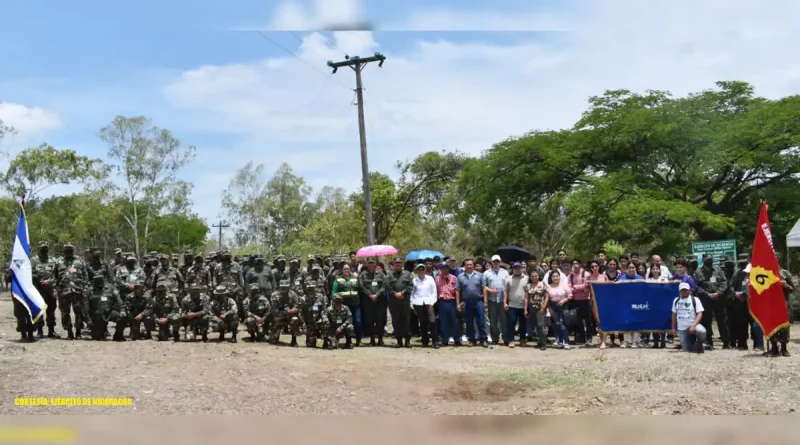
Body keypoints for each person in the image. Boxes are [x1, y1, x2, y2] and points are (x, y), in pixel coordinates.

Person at [694, 253, 729, 350]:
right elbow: (697, 287)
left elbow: (724, 282)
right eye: (707, 259)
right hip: (706, 300)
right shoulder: (698, 272)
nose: (710, 260)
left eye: (711, 259)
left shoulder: (718, 270)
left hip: (719, 299)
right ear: (703, 260)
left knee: (722, 321)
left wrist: (718, 293)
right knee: (707, 322)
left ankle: (726, 342)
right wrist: (708, 294)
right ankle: (709, 343)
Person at [56, 242, 89, 340]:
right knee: (65, 313)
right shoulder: (58, 262)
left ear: (73, 251)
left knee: (79, 312)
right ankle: (69, 331)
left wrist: (85, 287)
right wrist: (55, 288)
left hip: (77, 291)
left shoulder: (80, 261)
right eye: (66, 250)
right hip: (63, 292)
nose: (68, 252)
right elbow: (54, 276)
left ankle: (78, 332)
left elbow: (85, 276)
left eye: (70, 250)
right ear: (63, 251)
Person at [30, 240, 60, 339]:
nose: (44, 250)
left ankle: (51, 331)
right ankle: (40, 331)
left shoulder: (53, 260)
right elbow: (30, 274)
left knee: (51, 311)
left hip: (50, 291)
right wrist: (40, 281)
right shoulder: (33, 261)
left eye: (45, 248)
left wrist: (50, 282)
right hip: (38, 291)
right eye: (42, 248)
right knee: (39, 311)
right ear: (38, 249)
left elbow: (58, 275)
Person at [456, 259, 488, 347]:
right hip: (466, 303)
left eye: (470, 264)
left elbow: (484, 288)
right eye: (467, 264)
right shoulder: (460, 276)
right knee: (469, 323)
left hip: (478, 302)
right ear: (465, 266)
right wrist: (458, 303)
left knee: (481, 322)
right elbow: (457, 291)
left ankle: (483, 339)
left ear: (473, 265)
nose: (469, 266)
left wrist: (485, 301)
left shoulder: (479, 275)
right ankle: (471, 340)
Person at [86, 274, 126, 341]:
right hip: (96, 316)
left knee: (123, 317)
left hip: (109, 312)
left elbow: (119, 300)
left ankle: (118, 335)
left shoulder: (111, 288)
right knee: (97, 337)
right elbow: (86, 306)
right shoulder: (90, 291)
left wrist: (122, 310)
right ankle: (100, 331)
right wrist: (88, 319)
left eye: (101, 281)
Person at [385, 258, 413, 348]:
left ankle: (407, 341)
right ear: (394, 265)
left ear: (402, 265)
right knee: (396, 321)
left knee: (406, 321)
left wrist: (402, 292)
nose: (398, 265)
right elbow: (387, 286)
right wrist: (395, 293)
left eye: (399, 264)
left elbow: (410, 285)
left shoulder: (407, 274)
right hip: (394, 301)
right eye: (396, 264)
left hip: (405, 301)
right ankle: (399, 341)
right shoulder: (389, 275)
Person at [331, 264, 362, 346]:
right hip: (343, 306)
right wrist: (336, 303)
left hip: (355, 304)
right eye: (344, 269)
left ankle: (358, 340)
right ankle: (348, 340)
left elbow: (360, 289)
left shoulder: (355, 279)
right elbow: (334, 293)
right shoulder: (338, 280)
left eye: (348, 269)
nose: (346, 270)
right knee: (345, 323)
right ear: (342, 270)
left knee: (357, 322)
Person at [359, 258, 386, 347]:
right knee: (369, 321)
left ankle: (380, 340)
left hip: (379, 301)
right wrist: (370, 295)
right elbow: (361, 286)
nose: (371, 265)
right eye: (369, 264)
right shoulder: (363, 275)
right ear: (366, 265)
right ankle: (372, 340)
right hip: (368, 301)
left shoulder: (381, 274)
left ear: (375, 264)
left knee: (380, 321)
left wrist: (377, 295)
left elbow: (384, 285)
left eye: (372, 263)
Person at [411, 263, 440, 348]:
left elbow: (434, 292)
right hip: (418, 303)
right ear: (416, 271)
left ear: (424, 270)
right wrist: (412, 304)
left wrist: (432, 302)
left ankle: (435, 341)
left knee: (432, 322)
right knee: (423, 323)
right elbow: (412, 293)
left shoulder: (430, 279)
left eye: (422, 269)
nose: (421, 271)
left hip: (429, 302)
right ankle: (425, 341)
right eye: (419, 269)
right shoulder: (414, 280)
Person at [672, 282, 706, 353]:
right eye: (682, 290)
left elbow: (700, 314)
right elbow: (674, 315)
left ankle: (700, 345)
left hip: (693, 324)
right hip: (682, 328)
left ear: (689, 290)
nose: (684, 291)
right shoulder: (676, 300)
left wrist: (693, 326)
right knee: (687, 350)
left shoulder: (695, 299)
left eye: (686, 290)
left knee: (702, 331)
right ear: (679, 291)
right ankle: (702, 346)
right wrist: (673, 328)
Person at [483, 255, 509, 346]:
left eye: (498, 261)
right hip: (492, 300)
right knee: (492, 321)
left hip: (502, 300)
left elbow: (508, 286)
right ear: (492, 262)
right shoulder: (486, 273)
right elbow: (484, 286)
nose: (496, 263)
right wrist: (490, 291)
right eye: (494, 261)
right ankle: (495, 338)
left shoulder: (505, 272)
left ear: (500, 262)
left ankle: (506, 338)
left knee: (504, 321)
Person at [568, 258, 593, 346]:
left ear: (580, 264)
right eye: (573, 264)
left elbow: (586, 285)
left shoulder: (586, 274)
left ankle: (589, 338)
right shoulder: (570, 275)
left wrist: (575, 287)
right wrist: (578, 288)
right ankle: (582, 337)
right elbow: (569, 287)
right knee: (578, 320)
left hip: (585, 299)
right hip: (575, 300)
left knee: (588, 320)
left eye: (577, 263)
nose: (575, 265)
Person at [269, 280, 301, 346]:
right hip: (278, 318)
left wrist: (287, 312)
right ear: (279, 287)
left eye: (285, 287)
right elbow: (274, 311)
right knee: (273, 341)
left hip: (289, 317)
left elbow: (297, 308)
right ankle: (274, 336)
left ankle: (294, 340)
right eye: (282, 287)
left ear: (288, 287)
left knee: (295, 319)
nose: (283, 289)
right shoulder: (274, 295)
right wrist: (288, 312)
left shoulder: (293, 295)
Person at [617, 262, 643, 348]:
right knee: (626, 322)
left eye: (633, 267)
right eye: (630, 267)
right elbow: (618, 290)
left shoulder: (640, 278)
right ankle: (626, 341)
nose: (631, 269)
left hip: (637, 303)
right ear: (627, 268)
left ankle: (635, 341)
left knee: (636, 322)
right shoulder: (622, 278)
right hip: (625, 303)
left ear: (636, 268)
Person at [436, 262, 461, 346]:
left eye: (446, 268)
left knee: (454, 322)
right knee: (443, 322)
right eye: (443, 268)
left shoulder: (454, 278)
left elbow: (457, 291)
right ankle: (445, 340)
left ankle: (457, 339)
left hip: (452, 302)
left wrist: (458, 303)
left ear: (448, 268)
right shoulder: (437, 279)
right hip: (442, 302)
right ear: (440, 269)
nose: (445, 269)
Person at [504, 262, 528, 348]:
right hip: (512, 305)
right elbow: (506, 291)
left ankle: (522, 340)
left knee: (523, 324)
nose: (517, 269)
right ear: (513, 269)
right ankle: (511, 340)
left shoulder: (526, 278)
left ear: (521, 268)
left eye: (519, 268)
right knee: (511, 323)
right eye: (515, 268)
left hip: (523, 305)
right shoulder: (508, 279)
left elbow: (527, 292)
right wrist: (505, 302)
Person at [546, 271, 572, 349]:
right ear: (551, 278)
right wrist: (549, 308)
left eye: (557, 276)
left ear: (559, 277)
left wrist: (564, 300)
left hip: (563, 305)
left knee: (563, 324)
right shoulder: (548, 286)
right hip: (553, 306)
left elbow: (570, 295)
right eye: (553, 276)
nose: (555, 278)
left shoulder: (564, 285)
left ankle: (566, 342)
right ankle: (560, 341)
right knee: (557, 324)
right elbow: (547, 299)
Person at [524, 270, 549, 350]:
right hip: (532, 307)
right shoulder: (528, 286)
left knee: (541, 325)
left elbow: (547, 297)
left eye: (536, 276)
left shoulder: (543, 284)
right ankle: (540, 341)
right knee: (536, 326)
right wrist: (525, 310)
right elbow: (526, 299)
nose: (534, 277)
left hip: (540, 307)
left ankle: (543, 343)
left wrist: (543, 307)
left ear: (539, 276)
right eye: (532, 276)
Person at [587, 261, 608, 349]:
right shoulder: (588, 277)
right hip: (593, 302)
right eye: (592, 266)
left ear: (599, 267)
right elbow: (586, 290)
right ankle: (601, 339)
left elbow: (608, 288)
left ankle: (604, 341)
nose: (594, 268)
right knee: (598, 322)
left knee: (605, 321)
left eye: (596, 266)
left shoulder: (604, 276)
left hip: (604, 301)